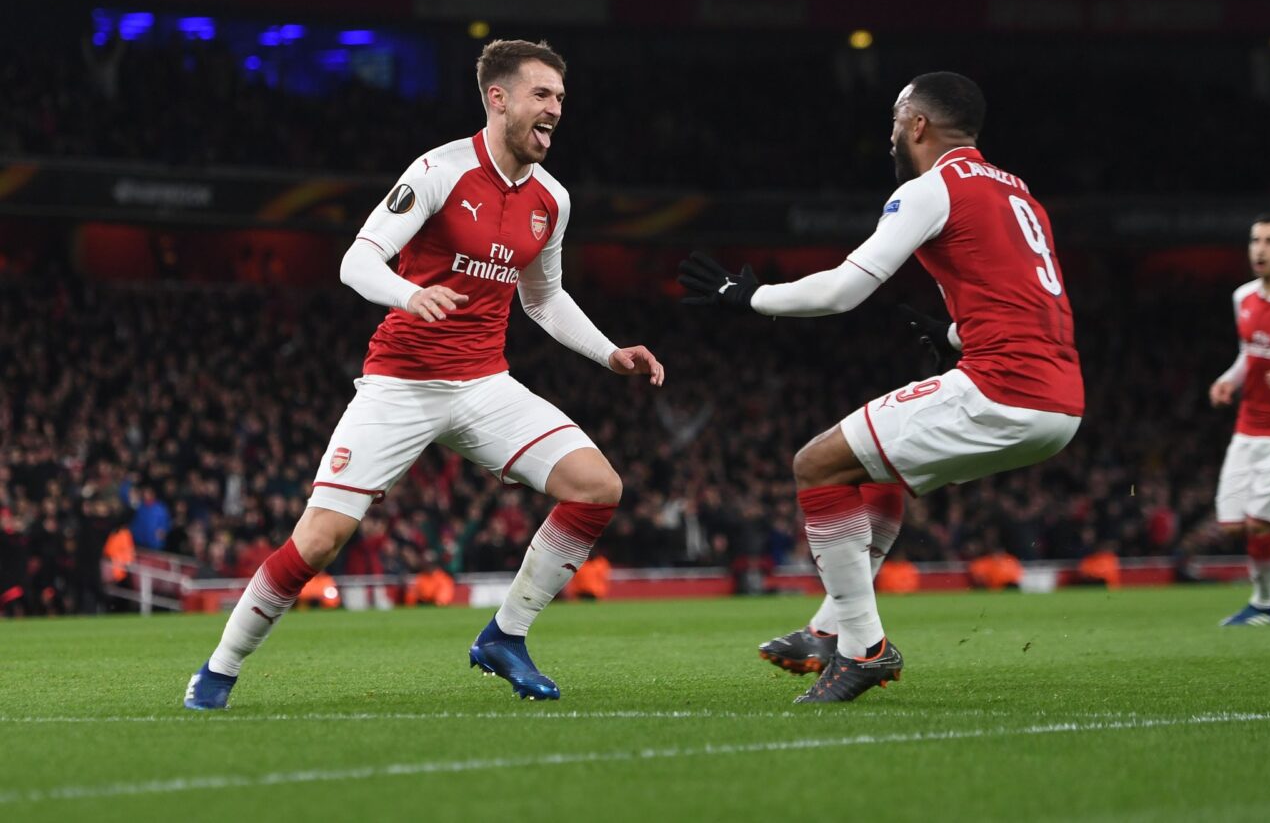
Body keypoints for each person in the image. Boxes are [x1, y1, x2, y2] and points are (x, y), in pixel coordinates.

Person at [185, 39, 664, 709]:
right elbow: (357, 262)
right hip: (401, 384)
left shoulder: (552, 200)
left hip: (484, 385)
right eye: (541, 95)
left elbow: (544, 298)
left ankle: (506, 636)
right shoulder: (439, 170)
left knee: (597, 487)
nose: (556, 108)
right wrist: (410, 295)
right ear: (498, 99)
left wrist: (609, 352)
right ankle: (219, 669)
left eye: (560, 97)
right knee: (319, 540)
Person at [679, 72, 1084, 703]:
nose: (891, 132)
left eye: (897, 118)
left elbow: (844, 290)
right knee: (873, 475)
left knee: (816, 465)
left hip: (1003, 389)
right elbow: (1029, 301)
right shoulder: (1019, 192)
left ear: (918, 125)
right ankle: (827, 630)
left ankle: (863, 649)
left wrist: (748, 296)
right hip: (1060, 399)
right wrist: (955, 335)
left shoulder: (931, 188)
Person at [1209, 216, 1270, 626]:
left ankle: (1264, 605)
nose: (1260, 249)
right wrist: (1228, 380)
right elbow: (1248, 354)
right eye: (1256, 240)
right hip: (1247, 429)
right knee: (1234, 525)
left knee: (1260, 523)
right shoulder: (1244, 297)